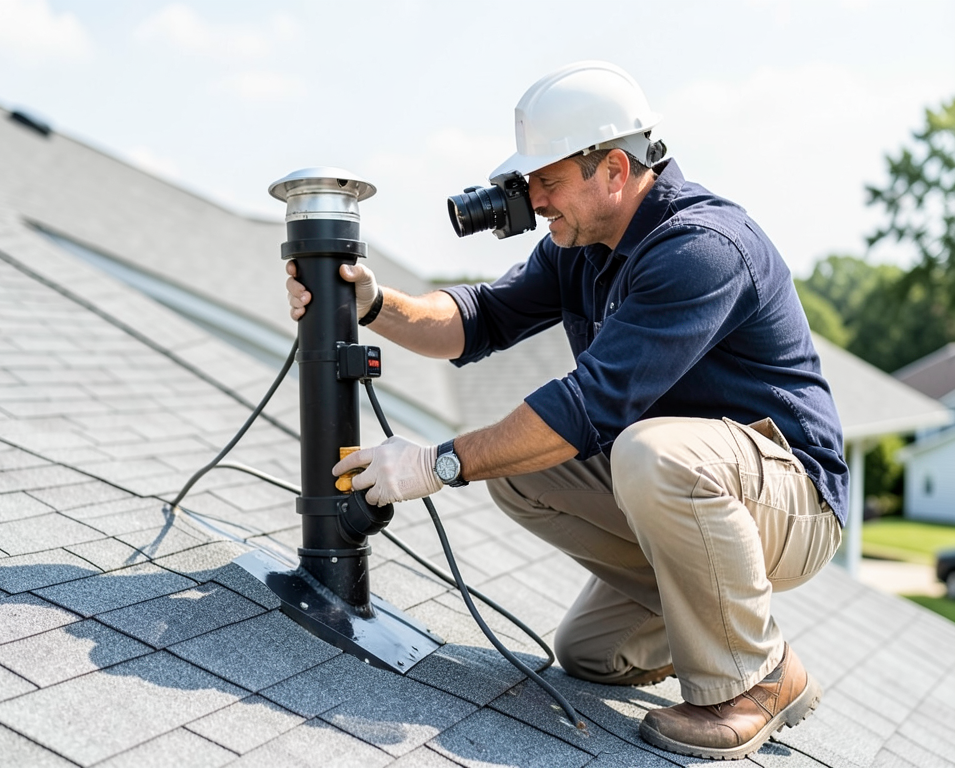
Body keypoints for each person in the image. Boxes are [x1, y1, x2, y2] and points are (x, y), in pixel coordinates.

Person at [285, 61, 848, 760]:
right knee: (588, 648)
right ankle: (711, 616)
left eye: (546, 180)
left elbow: (591, 407)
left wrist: (438, 463)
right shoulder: (580, 245)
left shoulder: (702, 247)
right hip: (693, 488)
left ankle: (758, 677)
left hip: (792, 495)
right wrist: (369, 302)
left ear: (613, 168)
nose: (534, 199)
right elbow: (477, 319)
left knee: (639, 450)